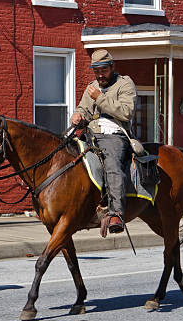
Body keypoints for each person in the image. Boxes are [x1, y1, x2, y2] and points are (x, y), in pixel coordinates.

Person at [71, 49, 137, 237]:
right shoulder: (92, 86)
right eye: (96, 71)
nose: (100, 75)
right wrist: (78, 116)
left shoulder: (125, 84)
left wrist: (99, 98)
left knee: (112, 165)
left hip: (115, 133)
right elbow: (83, 109)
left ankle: (116, 213)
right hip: (91, 132)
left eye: (103, 70)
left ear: (112, 67)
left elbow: (126, 112)